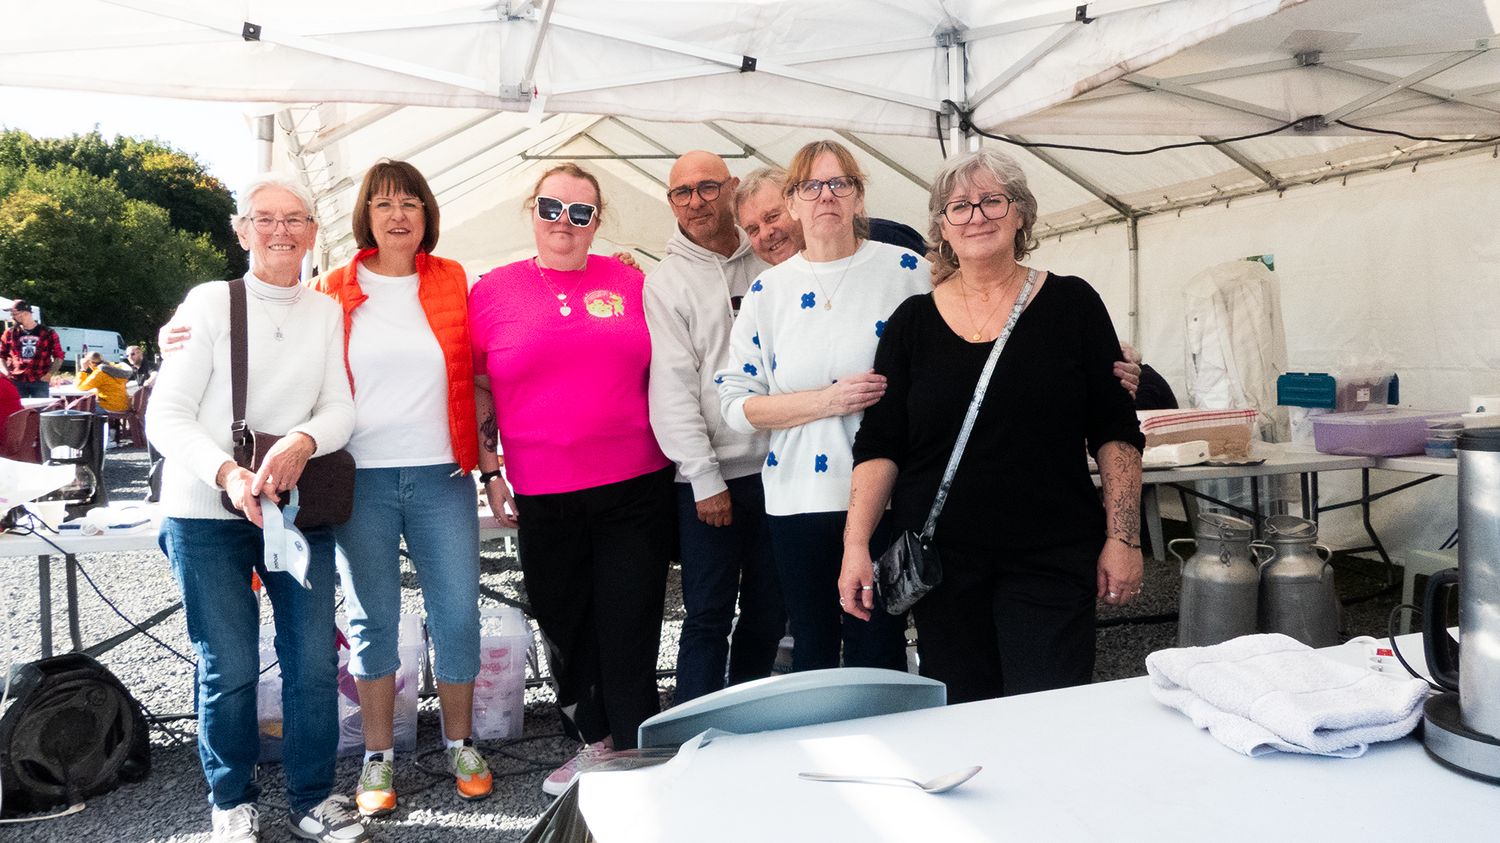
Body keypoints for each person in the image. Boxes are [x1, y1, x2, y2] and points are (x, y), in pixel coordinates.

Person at [839, 148, 1145, 703]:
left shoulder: (1072, 304)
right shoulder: (911, 323)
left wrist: (1123, 538)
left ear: (1020, 213)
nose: (976, 216)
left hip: (1051, 554)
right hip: (942, 564)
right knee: (965, 714)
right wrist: (856, 544)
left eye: (992, 201)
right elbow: (881, 444)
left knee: (1049, 709)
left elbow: (1115, 431)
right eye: (959, 206)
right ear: (942, 228)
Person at [146, 174, 365, 843]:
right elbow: (166, 414)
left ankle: (313, 797)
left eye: (294, 218)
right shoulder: (211, 302)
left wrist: (303, 440)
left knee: (313, 661)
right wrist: (226, 472)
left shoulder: (324, 310)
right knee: (229, 665)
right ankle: (231, 799)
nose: (280, 230)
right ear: (241, 230)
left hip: (293, 510)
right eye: (264, 218)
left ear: (313, 231)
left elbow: (340, 407)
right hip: (206, 513)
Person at [470, 163, 675, 796]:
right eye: (552, 207)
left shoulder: (633, 281)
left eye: (581, 212)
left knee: (630, 617)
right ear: (531, 211)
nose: (565, 222)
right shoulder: (491, 291)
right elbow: (479, 386)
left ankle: (637, 747)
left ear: (597, 221)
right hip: (543, 491)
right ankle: (595, 742)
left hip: (636, 485)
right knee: (564, 621)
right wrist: (490, 470)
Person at [308, 160, 492, 816]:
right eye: (384, 203)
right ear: (366, 215)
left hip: (443, 474)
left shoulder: (452, 280)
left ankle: (461, 742)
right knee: (372, 617)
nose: (397, 215)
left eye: (410, 203)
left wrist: (491, 465)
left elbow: (479, 374)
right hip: (361, 478)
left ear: (426, 215)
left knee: (458, 612)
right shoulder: (331, 288)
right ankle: (378, 755)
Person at [716, 140, 925, 673]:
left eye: (839, 183)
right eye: (811, 186)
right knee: (812, 648)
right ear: (793, 202)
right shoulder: (767, 292)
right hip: (797, 498)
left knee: (879, 648)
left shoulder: (908, 270)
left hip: (885, 495)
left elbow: (973, 325)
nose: (825, 195)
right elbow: (736, 404)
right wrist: (826, 401)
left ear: (859, 197)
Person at [736, 167, 1144, 397]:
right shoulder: (769, 291)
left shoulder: (884, 243)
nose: (767, 233)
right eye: (752, 228)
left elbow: (963, 286)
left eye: (773, 216)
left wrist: (1090, 355)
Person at [644, 151, 783, 704]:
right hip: (710, 480)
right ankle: (693, 726)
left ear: (733, 188)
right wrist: (703, 477)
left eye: (707, 187)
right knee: (707, 613)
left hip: (779, 467)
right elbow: (671, 386)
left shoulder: (772, 258)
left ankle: (747, 714)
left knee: (770, 609)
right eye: (682, 192)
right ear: (670, 202)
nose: (695, 202)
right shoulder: (666, 283)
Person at [0, 300, 63, 399]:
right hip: (16, 380)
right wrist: (6, 372)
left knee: (40, 408)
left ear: (26, 313)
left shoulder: (48, 333)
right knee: (18, 408)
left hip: (40, 380)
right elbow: (1, 355)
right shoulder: (9, 333)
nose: (12, 317)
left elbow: (59, 356)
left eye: (14, 314)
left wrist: (49, 374)